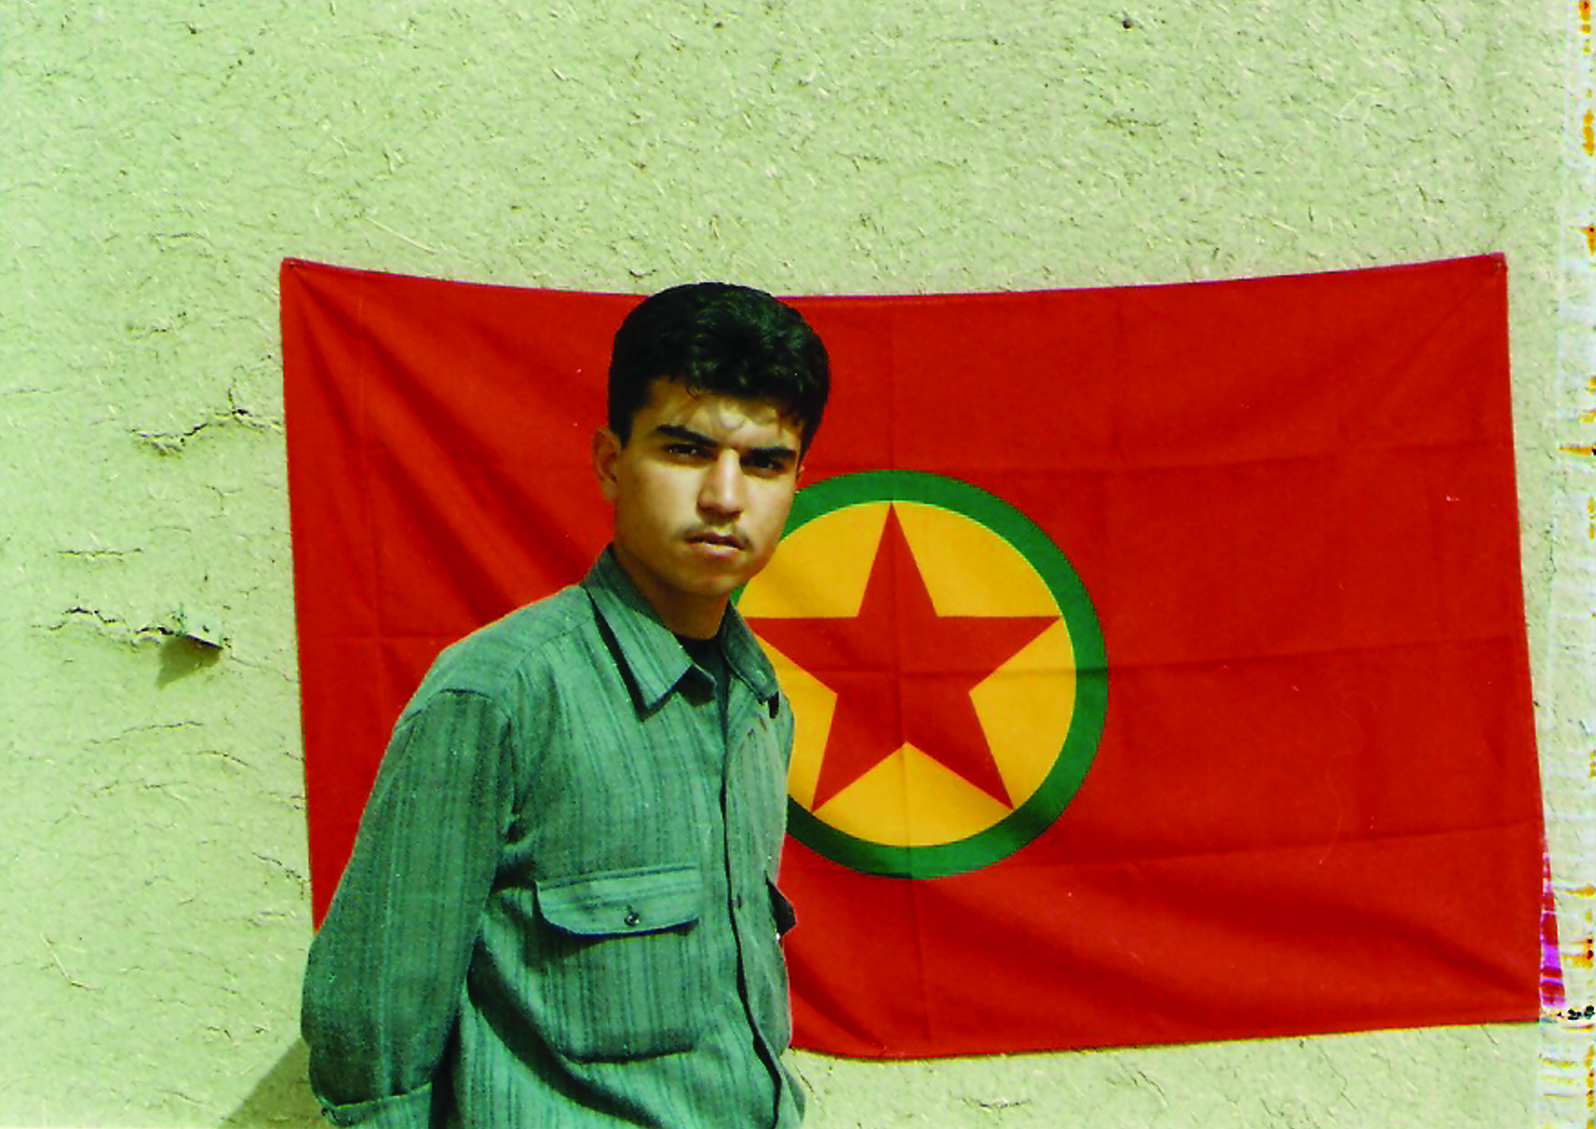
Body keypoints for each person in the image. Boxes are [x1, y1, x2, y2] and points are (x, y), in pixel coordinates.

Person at [301, 282, 830, 1128]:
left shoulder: (758, 701)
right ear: (611, 462)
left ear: (797, 480)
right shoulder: (502, 694)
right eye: (686, 450)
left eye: (764, 462)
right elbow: (370, 1033)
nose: (726, 497)